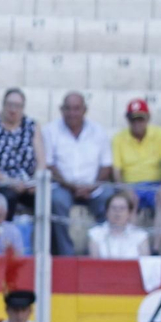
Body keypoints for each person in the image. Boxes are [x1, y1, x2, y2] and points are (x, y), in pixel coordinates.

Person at [44, 91, 113, 257]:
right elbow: (48, 164)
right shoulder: (50, 130)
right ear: (61, 110)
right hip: (62, 186)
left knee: (110, 199)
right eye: (67, 108)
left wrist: (92, 186)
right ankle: (66, 255)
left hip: (93, 187)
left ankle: (103, 252)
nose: (72, 113)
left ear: (85, 110)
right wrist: (70, 186)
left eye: (76, 108)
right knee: (56, 201)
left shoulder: (98, 132)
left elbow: (106, 166)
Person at [113, 98, 161, 255]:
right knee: (129, 202)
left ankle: (156, 249)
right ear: (128, 120)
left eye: (141, 119)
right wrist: (125, 191)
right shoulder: (118, 138)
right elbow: (117, 172)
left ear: (148, 118)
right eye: (133, 119)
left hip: (155, 184)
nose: (137, 123)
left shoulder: (159, 134)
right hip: (131, 184)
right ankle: (132, 248)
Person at [0, 87, 45, 218]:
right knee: (8, 198)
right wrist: (8, 181)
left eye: (18, 106)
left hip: (26, 183)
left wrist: (35, 181)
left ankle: (47, 239)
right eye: (10, 104)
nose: (13, 109)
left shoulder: (32, 126)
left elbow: (41, 161)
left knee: (47, 201)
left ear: (23, 107)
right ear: (3, 105)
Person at [87, 191, 150, 259]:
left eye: (122, 208)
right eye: (114, 208)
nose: (117, 212)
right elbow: (94, 265)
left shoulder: (140, 236)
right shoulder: (95, 234)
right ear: (107, 212)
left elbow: (145, 265)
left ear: (129, 213)